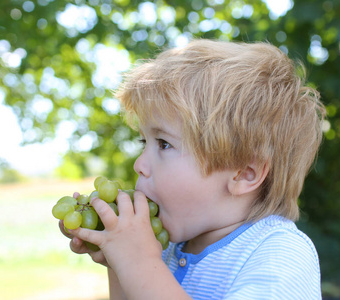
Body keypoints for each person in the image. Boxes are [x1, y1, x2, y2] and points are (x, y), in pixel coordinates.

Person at [59, 39, 326, 299]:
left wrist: (138, 263)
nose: (138, 164)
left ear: (244, 173)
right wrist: (119, 265)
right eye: (144, 141)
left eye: (163, 143)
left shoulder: (279, 253)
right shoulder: (163, 248)